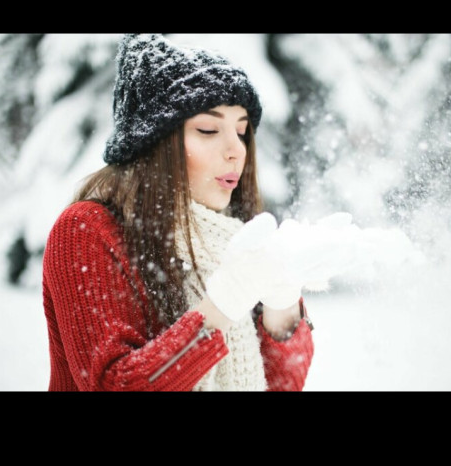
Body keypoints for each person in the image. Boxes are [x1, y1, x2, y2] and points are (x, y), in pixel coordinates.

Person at [42, 34, 316, 391]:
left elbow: (280, 385)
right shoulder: (86, 231)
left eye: (243, 130)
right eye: (208, 129)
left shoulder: (232, 240)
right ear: (155, 143)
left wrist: (282, 306)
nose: (237, 150)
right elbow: (114, 384)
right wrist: (219, 308)